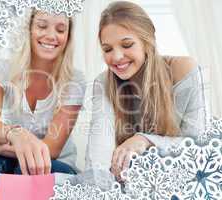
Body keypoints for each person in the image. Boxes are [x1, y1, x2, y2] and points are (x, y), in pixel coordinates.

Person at [0, 9, 86, 175]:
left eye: (60, 30)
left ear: (68, 36)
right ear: (29, 29)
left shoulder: (75, 80)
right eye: (42, 26)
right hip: (10, 157)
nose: (51, 35)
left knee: (26, 172)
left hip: (55, 163)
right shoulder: (1, 69)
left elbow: (51, 149)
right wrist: (15, 134)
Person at [86, 1, 207, 181]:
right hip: (131, 181)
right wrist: (99, 186)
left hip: (182, 179)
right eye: (107, 49)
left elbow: (198, 146)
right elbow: (99, 154)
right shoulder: (103, 82)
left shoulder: (183, 70)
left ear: (147, 41)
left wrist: (144, 139)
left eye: (127, 45)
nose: (117, 57)